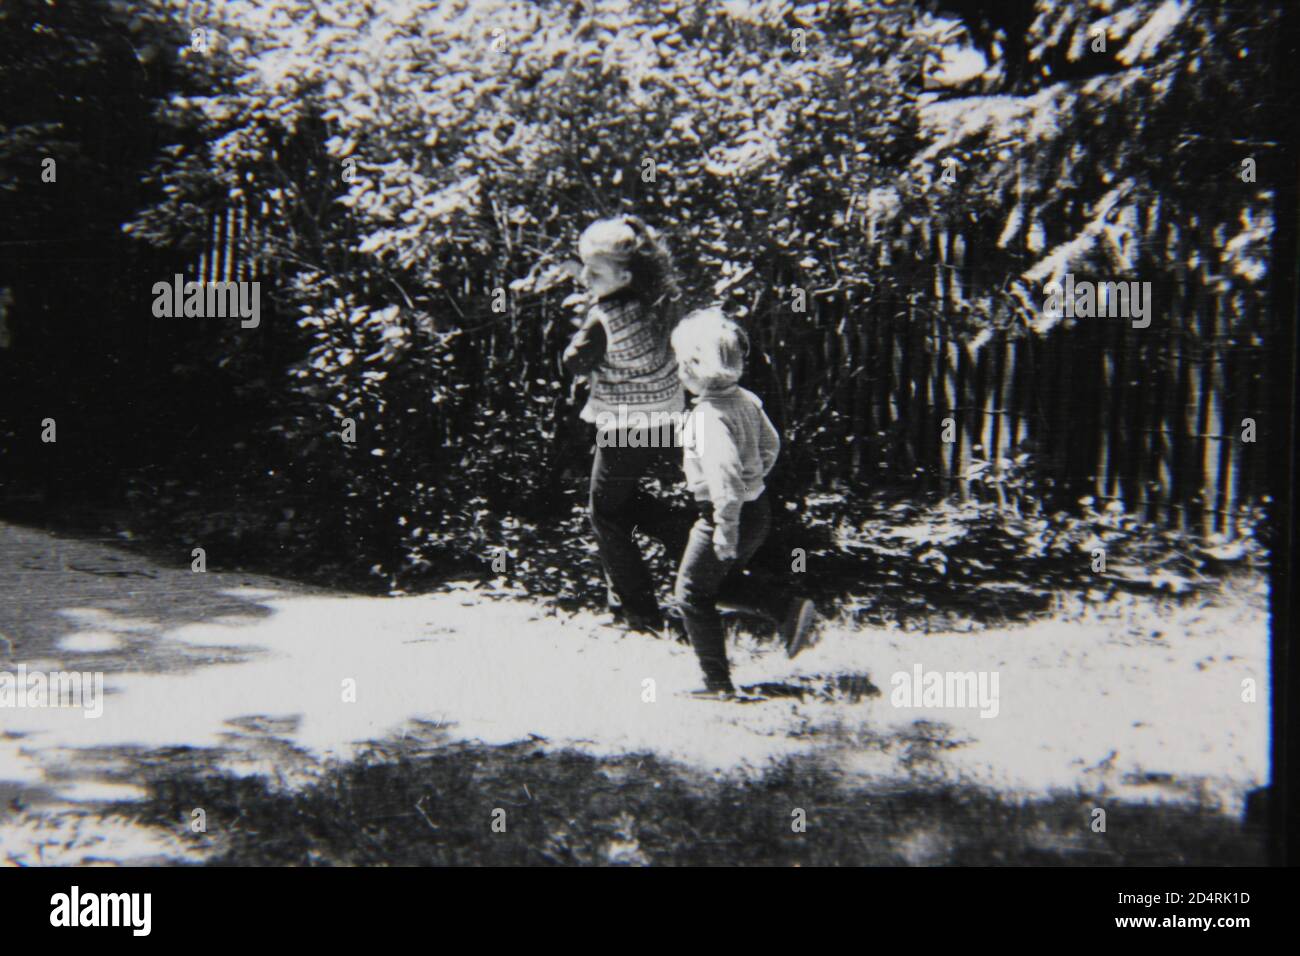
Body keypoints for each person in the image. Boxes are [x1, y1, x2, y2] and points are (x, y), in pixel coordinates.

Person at [669, 307, 818, 698]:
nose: (678, 370)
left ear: (695, 367)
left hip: (723, 514)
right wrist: (757, 479)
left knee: (690, 593)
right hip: (757, 510)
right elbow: (771, 445)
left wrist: (725, 528)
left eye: (680, 362)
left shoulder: (707, 417)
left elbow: (726, 479)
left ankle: (717, 684)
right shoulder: (746, 400)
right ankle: (786, 608)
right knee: (719, 583)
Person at [561, 215, 685, 634]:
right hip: (663, 415)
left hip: (626, 422)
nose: (585, 278)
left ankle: (642, 614)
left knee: (605, 514)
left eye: (594, 272)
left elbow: (575, 362)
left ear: (624, 273)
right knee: (622, 505)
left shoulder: (604, 317)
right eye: (584, 268)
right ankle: (683, 538)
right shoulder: (653, 302)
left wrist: (578, 337)